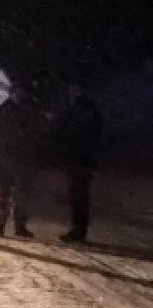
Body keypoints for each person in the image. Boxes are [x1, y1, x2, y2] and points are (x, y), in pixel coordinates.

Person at [0, 70, 43, 238]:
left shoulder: (26, 111)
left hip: (20, 157)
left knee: (21, 194)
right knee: (2, 193)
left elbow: (36, 131)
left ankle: (18, 225)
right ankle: (0, 225)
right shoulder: (2, 110)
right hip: (4, 157)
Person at [55, 86, 103, 243]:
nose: (71, 93)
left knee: (78, 196)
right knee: (79, 196)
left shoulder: (81, 111)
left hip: (79, 159)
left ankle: (78, 230)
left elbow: (71, 132)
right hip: (82, 159)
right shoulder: (89, 111)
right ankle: (78, 229)